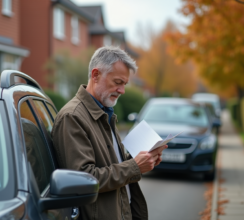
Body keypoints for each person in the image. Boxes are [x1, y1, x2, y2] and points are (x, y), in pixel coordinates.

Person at [51, 46, 167, 220]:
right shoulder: (72, 117)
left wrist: (143, 160)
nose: (122, 90)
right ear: (96, 75)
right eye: (118, 82)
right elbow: (85, 179)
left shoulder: (105, 112)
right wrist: (134, 166)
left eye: (125, 84)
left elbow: (111, 165)